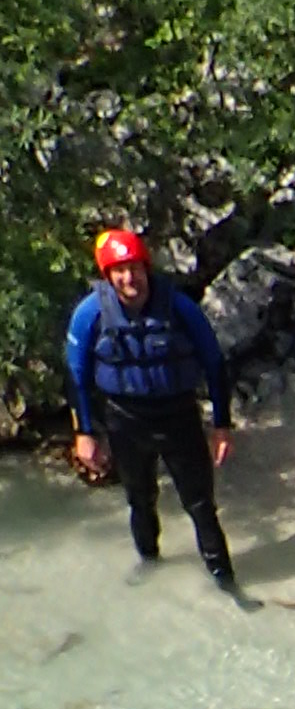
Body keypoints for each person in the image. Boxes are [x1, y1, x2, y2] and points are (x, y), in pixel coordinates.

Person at [66, 228, 237, 589]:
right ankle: (150, 564)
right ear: (108, 276)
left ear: (147, 268)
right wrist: (84, 433)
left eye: (136, 268)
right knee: (140, 501)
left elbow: (214, 363)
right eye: (120, 271)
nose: (130, 278)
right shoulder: (90, 313)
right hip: (125, 420)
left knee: (201, 504)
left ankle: (225, 579)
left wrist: (222, 425)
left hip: (179, 417)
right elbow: (76, 375)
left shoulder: (179, 307)